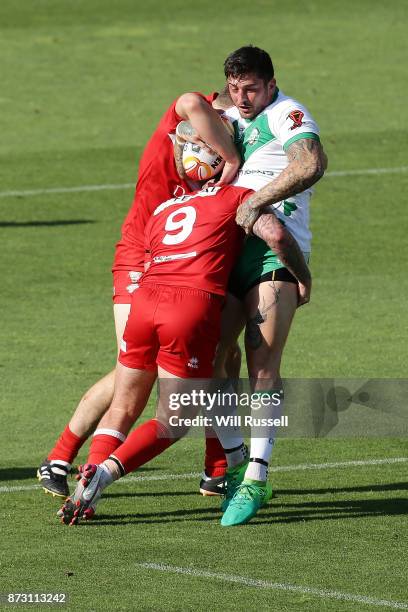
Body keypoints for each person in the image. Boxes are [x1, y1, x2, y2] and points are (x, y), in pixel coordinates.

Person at [58, 182, 310, 525]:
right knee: (173, 419)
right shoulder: (234, 195)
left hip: (145, 301)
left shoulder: (164, 208)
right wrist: (303, 276)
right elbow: (276, 234)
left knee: (122, 403)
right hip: (190, 306)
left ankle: (86, 488)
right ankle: (103, 474)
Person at [37, 91, 241, 499]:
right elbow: (190, 102)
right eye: (220, 126)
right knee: (136, 371)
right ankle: (64, 458)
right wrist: (232, 158)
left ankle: (217, 469)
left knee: (224, 356)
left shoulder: (202, 158)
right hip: (141, 259)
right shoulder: (184, 126)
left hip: (184, 260)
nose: (217, 138)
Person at [212, 45, 326, 526]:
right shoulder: (228, 115)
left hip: (272, 255)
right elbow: (187, 112)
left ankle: (258, 477)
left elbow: (309, 165)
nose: (242, 97)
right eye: (235, 88)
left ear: (271, 84)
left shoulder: (286, 113)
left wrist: (253, 201)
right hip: (220, 252)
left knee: (262, 365)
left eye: (251, 88)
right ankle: (236, 465)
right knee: (212, 360)